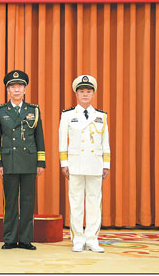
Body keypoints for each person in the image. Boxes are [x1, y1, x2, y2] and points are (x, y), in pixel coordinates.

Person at [0, 69, 45, 250]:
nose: (16, 90)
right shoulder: (0, 111)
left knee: (28, 201)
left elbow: (40, 138)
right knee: (11, 202)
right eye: (12, 87)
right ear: (7, 90)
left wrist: (41, 162)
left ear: (25, 90)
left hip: (29, 161)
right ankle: (9, 238)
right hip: (9, 162)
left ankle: (25, 239)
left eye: (20, 86)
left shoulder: (33, 110)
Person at [59, 75, 110, 253]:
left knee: (94, 202)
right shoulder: (67, 115)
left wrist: (106, 164)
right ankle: (78, 238)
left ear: (93, 93)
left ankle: (92, 238)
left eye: (89, 91)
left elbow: (106, 142)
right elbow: (62, 141)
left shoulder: (101, 116)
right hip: (75, 163)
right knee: (76, 201)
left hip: (95, 163)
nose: (85, 94)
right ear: (76, 94)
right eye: (82, 91)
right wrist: (63, 163)